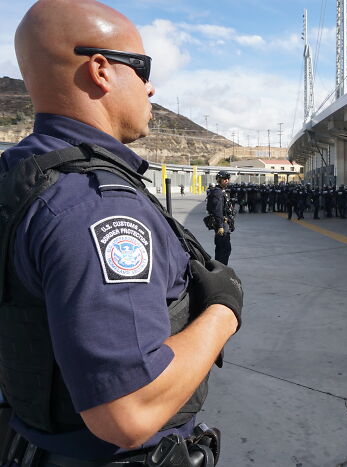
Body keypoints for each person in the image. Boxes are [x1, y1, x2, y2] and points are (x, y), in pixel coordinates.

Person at [0, 1, 243, 465]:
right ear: (101, 70)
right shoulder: (97, 205)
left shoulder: (19, 177)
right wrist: (223, 310)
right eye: (142, 67)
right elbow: (126, 412)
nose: (150, 88)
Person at [207, 171, 234, 265]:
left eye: (228, 179)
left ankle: (220, 268)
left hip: (224, 222)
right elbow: (217, 210)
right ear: (219, 180)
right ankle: (221, 269)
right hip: (222, 224)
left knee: (222, 249)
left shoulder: (221, 191)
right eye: (224, 179)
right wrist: (220, 226)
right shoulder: (218, 192)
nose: (227, 181)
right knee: (224, 249)